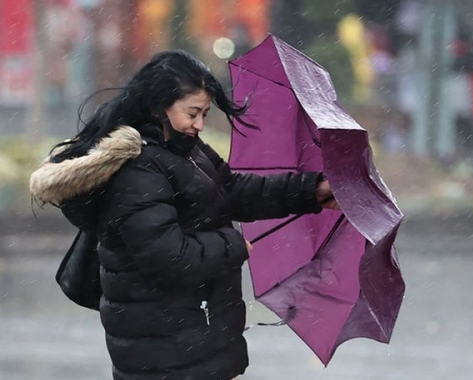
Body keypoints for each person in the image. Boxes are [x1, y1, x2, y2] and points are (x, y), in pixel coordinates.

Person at [29, 50, 337, 380]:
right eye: (193, 113)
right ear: (158, 104)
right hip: (164, 350)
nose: (200, 124)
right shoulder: (138, 170)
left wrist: (312, 191)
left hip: (193, 337)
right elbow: (169, 256)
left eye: (204, 114)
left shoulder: (184, 149)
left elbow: (231, 191)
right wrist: (232, 245)